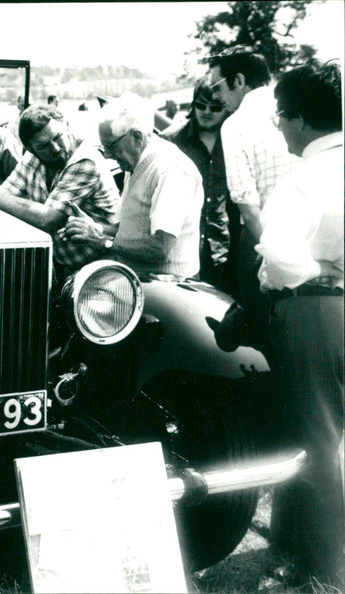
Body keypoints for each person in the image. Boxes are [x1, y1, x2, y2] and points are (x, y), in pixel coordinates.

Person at [255, 60, 344, 587]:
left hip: (314, 310)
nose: (281, 127)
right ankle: (297, 541)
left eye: (282, 116)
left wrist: (320, 269)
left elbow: (280, 256)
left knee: (315, 435)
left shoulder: (303, 180)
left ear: (302, 121)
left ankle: (325, 564)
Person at [207, 46, 297, 352]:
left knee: (269, 342)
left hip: (266, 242)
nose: (216, 98)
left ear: (239, 80)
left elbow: (248, 206)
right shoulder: (294, 106)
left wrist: (274, 255)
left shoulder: (235, 125)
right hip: (315, 234)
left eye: (217, 87)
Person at [63, 94, 203, 278]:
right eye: (103, 147)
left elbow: (161, 247)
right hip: (143, 280)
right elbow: (134, 227)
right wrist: (94, 228)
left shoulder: (170, 169)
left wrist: (102, 241)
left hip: (171, 288)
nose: (106, 155)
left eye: (111, 147)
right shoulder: (136, 160)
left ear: (137, 137)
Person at [0, 105, 119, 277]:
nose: (55, 148)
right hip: (61, 269)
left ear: (66, 126)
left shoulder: (86, 160)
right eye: (44, 146)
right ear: (31, 149)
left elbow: (48, 219)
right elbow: (3, 195)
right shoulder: (33, 158)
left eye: (58, 137)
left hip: (100, 271)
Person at [162, 80, 236, 292]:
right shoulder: (171, 140)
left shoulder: (234, 140)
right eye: (200, 105)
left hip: (224, 246)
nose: (206, 112)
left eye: (215, 108)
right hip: (181, 249)